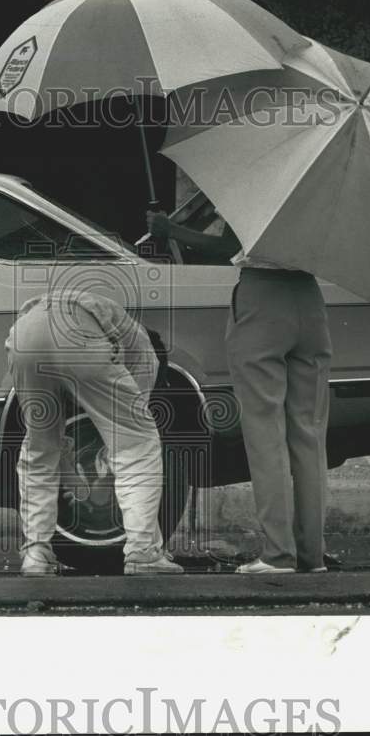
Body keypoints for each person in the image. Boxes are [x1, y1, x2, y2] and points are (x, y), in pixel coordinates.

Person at [147, 210, 332, 574]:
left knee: (266, 433)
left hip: (262, 294)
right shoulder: (321, 186)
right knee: (309, 436)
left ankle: (279, 554)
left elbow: (228, 245)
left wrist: (171, 230)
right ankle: (312, 554)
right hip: (310, 299)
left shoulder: (260, 178)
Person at [5, 288, 184, 576]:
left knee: (41, 447)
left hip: (25, 334)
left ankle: (36, 554)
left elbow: (63, 449)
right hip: (78, 334)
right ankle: (144, 553)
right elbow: (122, 446)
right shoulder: (146, 356)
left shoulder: (116, 327)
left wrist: (75, 475)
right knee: (137, 445)